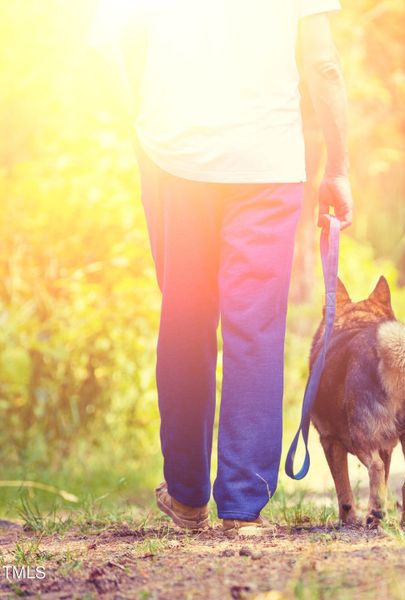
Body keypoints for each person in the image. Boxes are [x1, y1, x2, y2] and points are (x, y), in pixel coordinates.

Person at [91, 0, 353, 534]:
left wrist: (139, 127)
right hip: (266, 162)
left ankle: (187, 497)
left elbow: (108, 41)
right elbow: (323, 63)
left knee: (185, 319)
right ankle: (242, 506)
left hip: (173, 158)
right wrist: (340, 165)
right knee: (254, 328)